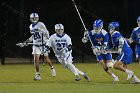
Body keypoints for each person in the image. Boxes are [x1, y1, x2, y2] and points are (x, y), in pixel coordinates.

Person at [23, 13, 56, 80]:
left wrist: (43, 31)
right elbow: (33, 36)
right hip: (36, 45)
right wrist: (28, 40)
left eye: (35, 18)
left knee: (47, 59)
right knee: (36, 59)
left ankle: (52, 68)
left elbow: (47, 33)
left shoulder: (41, 24)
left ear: (37, 18)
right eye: (33, 18)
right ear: (30, 19)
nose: (34, 19)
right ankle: (38, 74)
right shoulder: (30, 26)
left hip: (43, 44)